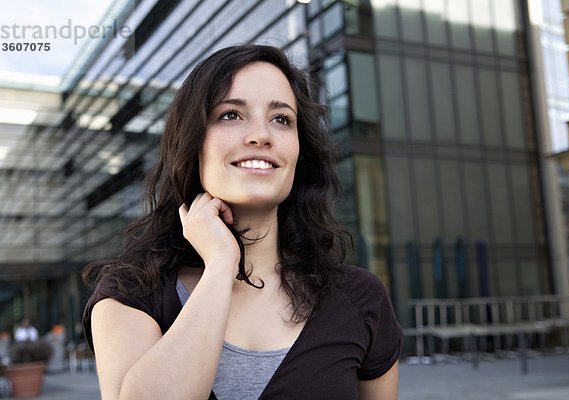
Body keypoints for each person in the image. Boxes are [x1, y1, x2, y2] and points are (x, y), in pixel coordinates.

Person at [82, 44, 402, 400]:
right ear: (192, 141)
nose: (261, 135)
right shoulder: (133, 293)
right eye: (231, 115)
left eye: (281, 119)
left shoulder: (360, 299)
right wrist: (221, 263)